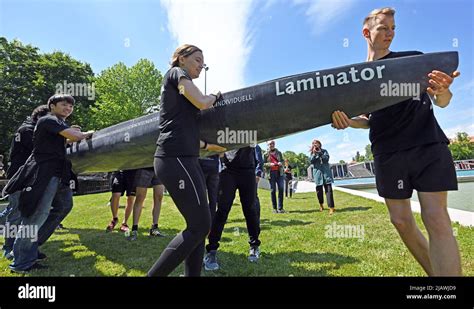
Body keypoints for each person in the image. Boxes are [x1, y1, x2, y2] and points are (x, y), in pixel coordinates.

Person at [331, 7, 461, 276]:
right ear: (367, 33)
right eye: (383, 28)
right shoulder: (355, 78)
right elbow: (366, 119)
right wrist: (347, 121)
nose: (390, 34)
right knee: (401, 221)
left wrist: (444, 91)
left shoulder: (413, 61)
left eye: (393, 28)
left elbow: (442, 101)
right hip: (388, 152)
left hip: (427, 145)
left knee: (435, 218)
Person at [147, 44, 225, 277]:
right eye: (197, 60)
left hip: (186, 158)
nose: (201, 65)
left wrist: (209, 146)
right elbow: (202, 101)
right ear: (181, 59)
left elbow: (187, 128)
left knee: (199, 225)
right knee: (201, 225)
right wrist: (215, 96)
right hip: (174, 158)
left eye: (203, 62)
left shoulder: (181, 96)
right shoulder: (175, 74)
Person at [7, 94, 93, 273]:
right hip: (44, 174)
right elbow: (74, 136)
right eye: (64, 105)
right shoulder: (47, 120)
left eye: (70, 106)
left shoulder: (58, 124)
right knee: (37, 215)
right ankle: (21, 262)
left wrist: (73, 135)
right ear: (52, 106)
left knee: (63, 206)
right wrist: (86, 134)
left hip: (59, 174)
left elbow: (66, 139)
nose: (68, 109)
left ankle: (31, 247)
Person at [1, 104, 49, 259]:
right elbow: (41, 148)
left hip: (30, 176)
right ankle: (8, 247)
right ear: (41, 118)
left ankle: (26, 248)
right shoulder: (27, 130)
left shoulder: (33, 129)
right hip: (19, 177)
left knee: (30, 214)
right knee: (16, 213)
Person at [203, 146, 262, 270]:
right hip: (228, 169)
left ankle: (254, 245)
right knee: (222, 210)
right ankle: (211, 250)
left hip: (248, 169)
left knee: (250, 209)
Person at [127, 167, 165, 241]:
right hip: (144, 168)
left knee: (159, 197)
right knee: (140, 198)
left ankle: (154, 229)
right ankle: (134, 230)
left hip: (158, 168)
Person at [310, 140, 335, 214]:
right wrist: (314, 154)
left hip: (326, 173)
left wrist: (320, 153)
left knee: (329, 191)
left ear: (319, 144)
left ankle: (331, 207)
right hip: (318, 174)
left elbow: (326, 159)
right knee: (319, 192)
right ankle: (321, 204)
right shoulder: (312, 153)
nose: (315, 145)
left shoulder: (324, 151)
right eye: (314, 144)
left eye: (316, 143)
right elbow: (311, 161)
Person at [264, 140, 285, 213]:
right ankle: (274, 208)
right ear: (268, 145)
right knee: (273, 191)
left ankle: (280, 208)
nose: (271, 145)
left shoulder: (279, 153)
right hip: (271, 173)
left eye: (273, 144)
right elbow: (263, 164)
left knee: (281, 189)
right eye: (270, 144)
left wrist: (280, 163)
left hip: (280, 173)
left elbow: (283, 162)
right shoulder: (265, 154)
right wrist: (270, 164)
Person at [199, 154, 220, 222]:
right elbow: (221, 153)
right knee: (213, 196)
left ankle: (203, 218)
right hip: (213, 165)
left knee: (201, 196)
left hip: (201, 165)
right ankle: (212, 219)